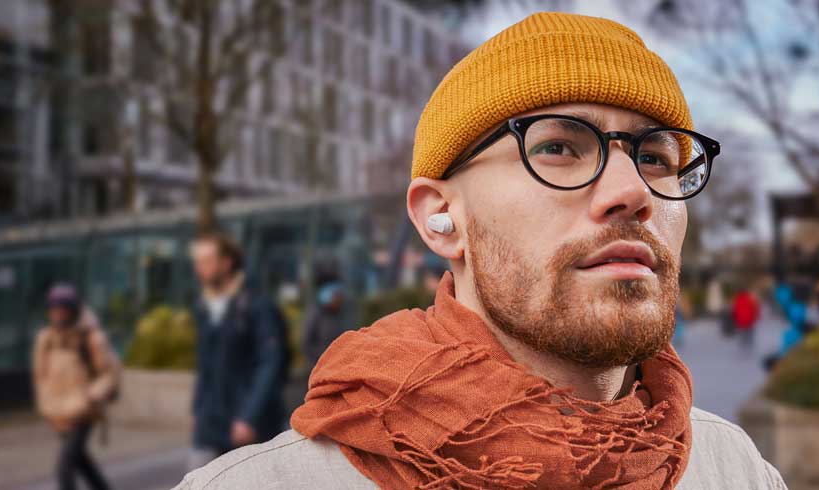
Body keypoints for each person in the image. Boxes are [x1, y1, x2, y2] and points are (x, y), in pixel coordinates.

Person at [174, 12, 786, 489]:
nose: (632, 192)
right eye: (557, 147)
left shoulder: (737, 470)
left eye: (656, 157)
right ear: (441, 219)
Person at [186, 232, 287, 471]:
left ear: (227, 262)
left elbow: (270, 363)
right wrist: (197, 410)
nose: (199, 268)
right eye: (197, 261)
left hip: (247, 425)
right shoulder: (204, 306)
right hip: (211, 422)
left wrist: (249, 416)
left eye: (206, 260)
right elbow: (205, 365)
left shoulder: (256, 305)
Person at [32, 283, 119, 490]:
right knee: (83, 463)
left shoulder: (90, 338)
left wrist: (90, 396)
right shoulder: (46, 339)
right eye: (53, 309)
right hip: (58, 412)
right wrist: (46, 402)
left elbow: (108, 375)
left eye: (62, 309)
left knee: (64, 469)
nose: (57, 314)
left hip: (83, 413)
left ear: (72, 310)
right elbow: (40, 375)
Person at [301, 271, 353, 368]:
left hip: (338, 364)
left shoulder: (339, 313)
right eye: (336, 296)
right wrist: (322, 361)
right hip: (321, 366)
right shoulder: (315, 313)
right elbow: (306, 344)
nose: (339, 301)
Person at [731, 287, 762, 353]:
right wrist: (756, 317)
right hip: (749, 320)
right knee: (749, 335)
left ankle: (742, 349)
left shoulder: (737, 300)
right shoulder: (750, 299)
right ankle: (749, 348)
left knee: (742, 335)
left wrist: (735, 319)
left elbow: (734, 311)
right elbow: (755, 309)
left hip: (740, 321)